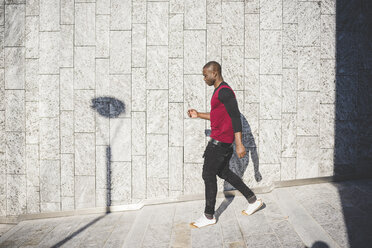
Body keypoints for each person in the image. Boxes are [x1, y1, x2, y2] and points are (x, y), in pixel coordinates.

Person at [188, 61, 263, 228]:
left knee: (208, 174)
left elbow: (235, 117)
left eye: (205, 75)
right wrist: (198, 114)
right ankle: (253, 200)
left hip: (220, 143)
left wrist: (239, 144)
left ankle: (209, 215)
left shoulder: (225, 92)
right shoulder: (219, 92)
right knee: (224, 173)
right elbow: (217, 116)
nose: (204, 78)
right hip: (221, 141)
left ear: (214, 73)